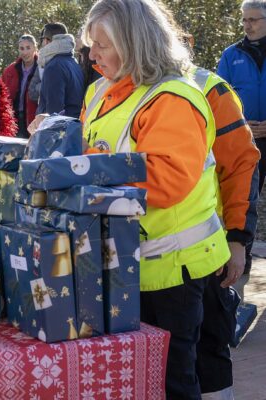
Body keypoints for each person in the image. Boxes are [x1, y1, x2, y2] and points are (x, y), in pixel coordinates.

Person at [78, 1, 231, 398]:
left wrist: (80, 167)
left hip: (170, 270)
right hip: (126, 266)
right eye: (91, 44)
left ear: (134, 44)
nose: (92, 55)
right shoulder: (101, 91)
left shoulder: (172, 98)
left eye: (102, 46)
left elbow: (164, 182)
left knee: (171, 382)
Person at [188, 65, 260, 400]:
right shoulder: (108, 86)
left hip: (206, 247)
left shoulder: (207, 87)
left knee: (210, 346)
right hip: (140, 254)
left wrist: (238, 239)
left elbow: (241, 167)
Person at [217, 0, 266, 300]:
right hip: (243, 139)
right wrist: (243, 125)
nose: (247, 25)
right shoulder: (231, 55)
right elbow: (221, 95)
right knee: (245, 198)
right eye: (244, 20)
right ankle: (241, 258)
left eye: (254, 20)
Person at [37, 22, 84, 118]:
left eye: (42, 40)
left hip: (61, 130)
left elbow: (54, 112)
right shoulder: (73, 62)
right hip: (74, 125)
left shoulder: (54, 67)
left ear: (46, 41)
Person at [2, 34, 39, 138]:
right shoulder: (10, 70)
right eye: (21, 48)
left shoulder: (42, 69)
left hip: (33, 120)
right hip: (13, 119)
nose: (25, 52)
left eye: (28, 48)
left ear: (35, 48)